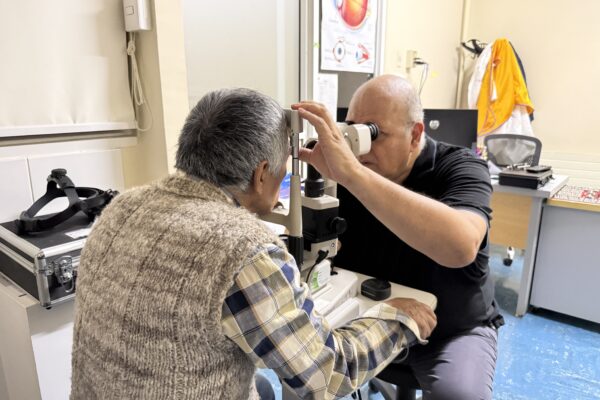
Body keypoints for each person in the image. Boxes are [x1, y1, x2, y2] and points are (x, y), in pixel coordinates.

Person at [70, 88, 437, 400]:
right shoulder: (242, 248)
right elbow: (325, 376)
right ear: (261, 174)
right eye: (283, 170)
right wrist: (396, 318)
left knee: (261, 384)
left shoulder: (122, 205)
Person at [293, 75, 503, 400]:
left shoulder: (462, 166)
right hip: (370, 318)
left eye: (373, 133)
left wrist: (352, 175)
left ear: (415, 134)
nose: (360, 146)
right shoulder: (349, 171)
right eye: (352, 129)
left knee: (459, 395)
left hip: (449, 329)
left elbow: (460, 247)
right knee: (301, 368)